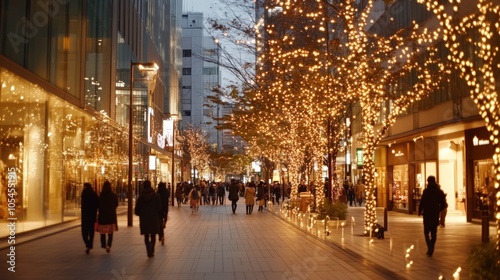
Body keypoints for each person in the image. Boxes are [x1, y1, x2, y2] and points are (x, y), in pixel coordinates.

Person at [418, 176, 447, 257]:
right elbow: (443, 203)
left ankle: (430, 247)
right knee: (434, 232)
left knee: (426, 232)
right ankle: (431, 247)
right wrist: (439, 209)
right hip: (435, 214)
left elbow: (422, 202)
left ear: (428, 182)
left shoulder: (426, 191)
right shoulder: (439, 191)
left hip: (427, 214)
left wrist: (420, 211)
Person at [135, 180, 161, 258]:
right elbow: (159, 208)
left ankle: (148, 250)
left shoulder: (140, 197)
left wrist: (141, 214)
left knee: (146, 236)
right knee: (153, 235)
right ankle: (151, 250)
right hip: (154, 219)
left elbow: (137, 210)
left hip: (144, 220)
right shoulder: (156, 196)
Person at [96, 181, 118, 253]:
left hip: (103, 216)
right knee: (110, 232)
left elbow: (98, 205)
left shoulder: (101, 195)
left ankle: (104, 244)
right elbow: (116, 204)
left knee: (102, 232)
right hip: (111, 216)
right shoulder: (113, 195)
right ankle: (109, 245)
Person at [81, 182, 99, 255]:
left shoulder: (84, 193)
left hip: (85, 215)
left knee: (84, 231)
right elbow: (98, 204)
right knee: (91, 231)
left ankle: (88, 243)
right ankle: (90, 244)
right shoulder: (94, 193)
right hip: (92, 215)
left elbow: (82, 203)